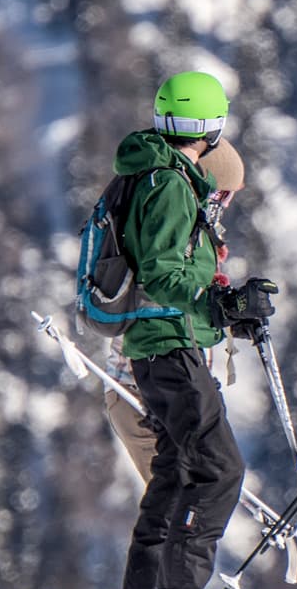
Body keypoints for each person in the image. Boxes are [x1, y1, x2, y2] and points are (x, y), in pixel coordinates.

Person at [116, 72, 274, 589]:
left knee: (177, 465)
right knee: (219, 466)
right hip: (166, 344)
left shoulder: (156, 177)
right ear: (212, 127)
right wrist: (218, 303)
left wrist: (227, 312)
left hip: (159, 342)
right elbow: (161, 274)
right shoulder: (168, 185)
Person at [104, 140, 246, 484]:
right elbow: (163, 294)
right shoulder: (171, 223)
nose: (225, 206)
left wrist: (232, 314)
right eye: (224, 195)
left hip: (169, 393)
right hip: (143, 396)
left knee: (185, 503)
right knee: (179, 503)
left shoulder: (193, 237)